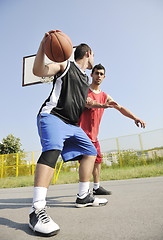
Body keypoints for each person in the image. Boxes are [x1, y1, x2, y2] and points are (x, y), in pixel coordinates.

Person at [29, 31, 108, 237]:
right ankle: (37, 210)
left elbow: (83, 102)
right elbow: (38, 70)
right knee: (52, 150)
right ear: (88, 53)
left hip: (72, 125)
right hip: (53, 117)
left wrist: (103, 105)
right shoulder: (65, 65)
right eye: (93, 56)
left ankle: (83, 196)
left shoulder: (84, 79)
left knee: (90, 151)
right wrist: (43, 45)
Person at [79, 64, 146, 195]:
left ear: (104, 77)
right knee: (87, 161)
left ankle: (96, 187)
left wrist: (135, 117)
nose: (98, 76)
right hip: (81, 133)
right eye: (96, 73)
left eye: (101, 74)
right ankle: (83, 191)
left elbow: (120, 108)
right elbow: (88, 103)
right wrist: (103, 105)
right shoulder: (84, 90)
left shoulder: (105, 95)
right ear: (91, 74)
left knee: (98, 160)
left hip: (93, 135)